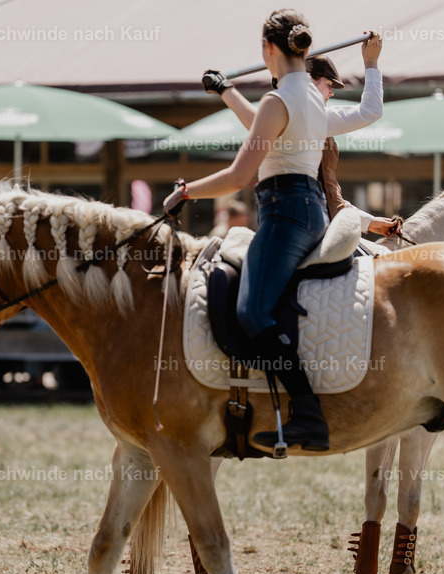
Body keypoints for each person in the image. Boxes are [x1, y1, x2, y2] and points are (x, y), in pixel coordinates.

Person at [163, 9, 334, 451]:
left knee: (252, 312)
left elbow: (239, 177)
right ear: (306, 50)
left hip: (284, 213)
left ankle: (308, 412)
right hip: (309, 207)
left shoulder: (279, 101)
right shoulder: (312, 96)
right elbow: (266, 128)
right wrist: (227, 92)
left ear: (267, 50)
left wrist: (186, 193)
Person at [203, 34, 398, 231]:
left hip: (315, 223)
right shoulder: (310, 116)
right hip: (301, 226)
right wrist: (371, 62)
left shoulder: (306, 114)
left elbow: (330, 196)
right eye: (329, 85)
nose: (331, 93)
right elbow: (370, 111)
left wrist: (368, 222)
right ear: (309, 81)